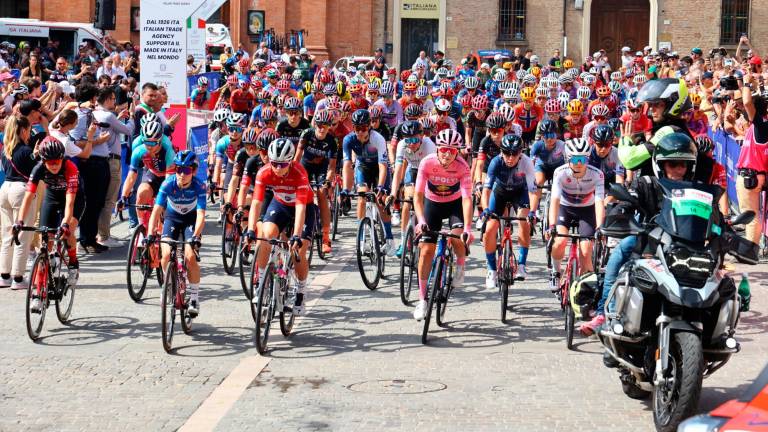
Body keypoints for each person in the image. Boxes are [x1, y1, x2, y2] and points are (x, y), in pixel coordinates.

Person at [583, 132, 701, 336]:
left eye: (683, 164)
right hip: (649, 241)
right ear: (661, 165)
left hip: (686, 246)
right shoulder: (646, 183)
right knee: (619, 253)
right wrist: (620, 211)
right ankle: (605, 312)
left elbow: (712, 216)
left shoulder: (697, 190)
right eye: (673, 164)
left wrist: (724, 229)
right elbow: (629, 202)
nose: (678, 169)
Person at [245, 138, 316, 316]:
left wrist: (296, 236)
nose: (277, 168)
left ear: (291, 161)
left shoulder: (299, 173)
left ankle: (300, 291)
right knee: (265, 237)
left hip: (304, 207)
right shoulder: (264, 172)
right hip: (281, 204)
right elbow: (256, 203)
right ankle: (261, 284)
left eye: (282, 164)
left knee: (298, 251)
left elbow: (300, 208)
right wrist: (251, 230)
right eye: (274, 163)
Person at [14, 136, 84, 311]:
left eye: (57, 161)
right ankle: (38, 293)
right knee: (45, 244)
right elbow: (28, 197)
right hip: (52, 199)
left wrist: (66, 224)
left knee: (68, 231)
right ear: (43, 161)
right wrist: (19, 221)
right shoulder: (38, 169)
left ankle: (73, 264)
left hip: (74, 200)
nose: (54, 165)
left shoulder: (70, 168)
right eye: (50, 162)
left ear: (62, 158)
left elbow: (70, 204)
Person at [412, 129, 473, 321]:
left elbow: (467, 199)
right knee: (426, 251)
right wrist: (421, 220)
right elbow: (418, 195)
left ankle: (460, 268)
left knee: (457, 240)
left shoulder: (463, 166)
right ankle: (422, 299)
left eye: (453, 151)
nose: (448, 154)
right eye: (444, 149)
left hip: (454, 205)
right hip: (432, 205)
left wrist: (468, 229)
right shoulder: (427, 162)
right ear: (437, 148)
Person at [146, 150, 206, 316]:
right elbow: (156, 211)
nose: (181, 174)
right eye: (178, 169)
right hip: (172, 219)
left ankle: (194, 297)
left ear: (193, 171)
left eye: (186, 170)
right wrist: (150, 234)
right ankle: (168, 284)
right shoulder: (168, 184)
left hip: (191, 221)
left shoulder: (199, 186)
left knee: (190, 256)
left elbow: (201, 215)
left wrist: (196, 236)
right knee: (165, 255)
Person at [547, 138, 605, 287]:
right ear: (568, 158)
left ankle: (582, 286)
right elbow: (554, 200)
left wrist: (600, 228)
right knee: (559, 241)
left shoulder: (597, 175)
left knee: (586, 251)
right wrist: (552, 225)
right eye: (575, 159)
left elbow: (599, 203)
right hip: (565, 208)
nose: (579, 163)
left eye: (583, 159)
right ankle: (555, 271)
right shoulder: (559, 172)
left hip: (587, 210)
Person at [481, 134, 536, 286]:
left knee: (524, 222)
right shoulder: (495, 162)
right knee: (490, 229)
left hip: (520, 193)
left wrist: (533, 212)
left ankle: (522, 265)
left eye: (515, 154)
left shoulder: (526, 162)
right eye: (506, 153)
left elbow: (532, 190)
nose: (510, 158)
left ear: (521, 152)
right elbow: (486, 190)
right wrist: (485, 208)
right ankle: (492, 270)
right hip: (500, 193)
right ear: (501, 152)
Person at [342, 109, 396, 255]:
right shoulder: (348, 140)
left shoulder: (377, 139)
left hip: (378, 168)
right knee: (361, 197)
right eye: (356, 128)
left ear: (369, 127)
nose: (360, 132)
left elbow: (383, 165)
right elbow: (347, 165)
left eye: (363, 128)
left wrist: (380, 187)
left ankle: (390, 239)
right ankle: (361, 239)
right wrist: (346, 189)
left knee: (381, 200)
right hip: (363, 167)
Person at [92, 87, 134, 248]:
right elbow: (128, 130)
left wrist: (118, 117)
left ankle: (99, 233)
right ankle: (103, 235)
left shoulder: (95, 114)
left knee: (99, 198)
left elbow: (110, 126)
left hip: (99, 159)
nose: (115, 102)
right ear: (108, 99)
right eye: (113, 99)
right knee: (109, 199)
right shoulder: (108, 115)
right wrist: (131, 117)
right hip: (111, 161)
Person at [389, 120, 436, 256]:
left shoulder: (429, 146)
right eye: (408, 140)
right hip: (412, 170)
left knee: (423, 202)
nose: (412, 143)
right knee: (408, 201)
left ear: (422, 136)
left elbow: (431, 173)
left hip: (427, 172)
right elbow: (398, 171)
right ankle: (404, 241)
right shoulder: (402, 145)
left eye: (415, 139)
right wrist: (393, 193)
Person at [295, 110, 338, 254]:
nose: (321, 128)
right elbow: (297, 157)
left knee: (321, 194)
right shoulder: (307, 134)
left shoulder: (332, 141)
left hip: (322, 168)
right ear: (315, 124)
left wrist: (327, 181)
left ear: (329, 126)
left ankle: (326, 237)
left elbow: (332, 167)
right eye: (319, 125)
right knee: (301, 193)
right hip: (305, 166)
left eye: (325, 125)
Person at [0, 116, 36, 289]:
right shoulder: (25, 150)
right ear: (22, 130)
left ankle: (4, 275)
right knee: (23, 235)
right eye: (28, 130)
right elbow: (35, 172)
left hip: (5, 188)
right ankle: (19, 278)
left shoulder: (6, 149)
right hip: (21, 190)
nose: (29, 133)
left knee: (7, 234)